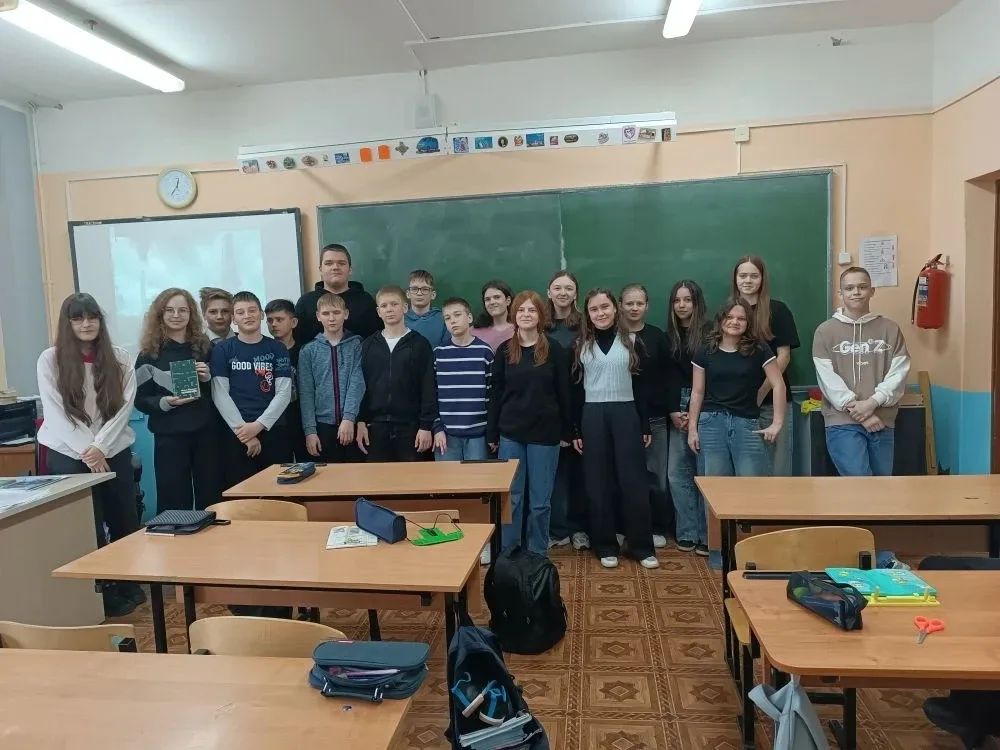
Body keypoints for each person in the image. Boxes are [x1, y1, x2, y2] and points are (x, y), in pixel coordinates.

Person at [37, 293, 143, 617]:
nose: (86, 324)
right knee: (87, 523)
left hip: (112, 448)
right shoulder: (50, 359)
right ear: (68, 323)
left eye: (92, 317)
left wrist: (100, 447)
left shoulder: (120, 357)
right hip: (68, 452)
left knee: (124, 516)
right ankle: (100, 590)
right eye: (78, 318)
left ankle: (127, 580)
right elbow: (55, 413)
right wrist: (89, 450)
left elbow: (124, 407)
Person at [572, 288, 658, 570]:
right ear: (588, 314)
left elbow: (642, 387)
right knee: (598, 483)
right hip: (592, 414)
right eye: (594, 309)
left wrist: (644, 423)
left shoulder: (632, 341)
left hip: (626, 413)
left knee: (633, 481)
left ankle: (641, 546)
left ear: (615, 308)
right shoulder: (581, 344)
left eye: (605, 307)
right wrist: (576, 430)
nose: (601, 313)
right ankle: (605, 544)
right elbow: (575, 390)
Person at [487, 290, 573, 556]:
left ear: (541, 316)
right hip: (511, 434)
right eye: (521, 310)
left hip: (545, 436)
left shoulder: (555, 350)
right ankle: (510, 553)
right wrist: (492, 432)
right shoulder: (504, 351)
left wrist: (567, 430)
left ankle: (537, 553)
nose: (526, 315)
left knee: (540, 502)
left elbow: (564, 392)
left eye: (532, 310)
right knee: (512, 499)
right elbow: (496, 395)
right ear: (514, 315)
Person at [812, 267, 910, 476]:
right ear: (840, 293)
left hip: (882, 421)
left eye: (862, 287)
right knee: (859, 482)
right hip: (842, 421)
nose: (856, 292)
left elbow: (899, 372)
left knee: (882, 485)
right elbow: (827, 379)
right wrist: (862, 414)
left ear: (872, 291)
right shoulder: (825, 331)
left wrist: (872, 403)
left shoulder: (890, 329)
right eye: (849, 288)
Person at [134, 288, 218, 514]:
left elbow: (220, 392)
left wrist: (207, 378)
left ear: (191, 314)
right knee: (173, 499)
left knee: (211, 495)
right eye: (169, 310)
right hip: (169, 436)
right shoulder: (148, 354)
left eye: (183, 310)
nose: (176, 315)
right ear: (160, 314)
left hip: (206, 433)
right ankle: (175, 535)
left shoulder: (205, 347)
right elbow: (139, 399)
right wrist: (165, 402)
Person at [688, 297, 786, 482]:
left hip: (746, 423)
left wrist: (777, 423)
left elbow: (778, 385)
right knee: (716, 487)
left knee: (752, 485)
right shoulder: (705, 351)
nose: (735, 322)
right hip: (711, 424)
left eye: (741, 318)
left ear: (748, 323)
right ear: (720, 319)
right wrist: (692, 429)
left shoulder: (759, 349)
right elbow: (697, 392)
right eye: (729, 317)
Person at [210, 291, 293, 487]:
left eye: (252, 310)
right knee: (242, 492)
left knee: (279, 492)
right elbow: (219, 393)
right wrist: (244, 432)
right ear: (234, 319)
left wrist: (258, 426)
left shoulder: (277, 348)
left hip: (273, 430)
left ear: (261, 314)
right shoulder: (222, 350)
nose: (247, 316)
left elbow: (284, 392)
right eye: (240, 312)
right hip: (237, 433)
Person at [732, 255, 799, 475]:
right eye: (742, 275)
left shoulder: (777, 310)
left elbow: (784, 356)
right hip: (738, 405)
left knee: (777, 468)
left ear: (762, 279)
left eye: (754, 276)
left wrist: (761, 392)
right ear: (735, 279)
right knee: (746, 471)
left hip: (772, 403)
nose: (747, 281)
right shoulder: (729, 312)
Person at [356, 285, 438, 462]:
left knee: (412, 477)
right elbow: (361, 386)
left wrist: (425, 426)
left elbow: (428, 387)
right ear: (378, 312)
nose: (389, 309)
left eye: (394, 304)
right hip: (375, 427)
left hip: (411, 427)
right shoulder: (368, 345)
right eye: (384, 306)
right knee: (378, 477)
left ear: (405, 307)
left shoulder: (420, 344)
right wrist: (361, 420)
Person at [621, 283, 673, 550]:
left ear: (647, 306)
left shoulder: (657, 336)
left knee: (655, 476)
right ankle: (624, 528)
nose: (634, 308)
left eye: (639, 303)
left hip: (654, 418)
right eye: (629, 303)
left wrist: (669, 408)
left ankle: (655, 527)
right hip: (622, 417)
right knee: (624, 476)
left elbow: (668, 376)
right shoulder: (613, 336)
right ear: (620, 305)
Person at [664, 280, 710, 555]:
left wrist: (697, 411)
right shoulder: (667, 336)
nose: (682, 305)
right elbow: (666, 377)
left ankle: (707, 535)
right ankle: (687, 532)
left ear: (697, 302)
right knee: (677, 473)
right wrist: (672, 410)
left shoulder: (710, 334)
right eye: (677, 300)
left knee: (704, 471)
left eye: (687, 300)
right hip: (676, 407)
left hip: (705, 404)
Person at [545, 270, 588, 551]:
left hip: (584, 402)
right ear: (549, 292)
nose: (563, 293)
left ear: (576, 293)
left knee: (581, 470)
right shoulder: (541, 325)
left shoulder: (586, 324)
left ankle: (580, 528)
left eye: (569, 288)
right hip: (551, 406)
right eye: (557, 288)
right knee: (556, 472)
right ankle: (557, 528)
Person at [298, 293, 365, 463]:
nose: (331, 318)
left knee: (355, 475)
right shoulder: (308, 351)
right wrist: (310, 431)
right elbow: (306, 393)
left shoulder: (357, 345)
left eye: (336, 312)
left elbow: (357, 383)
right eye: (326, 313)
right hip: (322, 426)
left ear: (345, 314)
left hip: (352, 423)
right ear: (318, 316)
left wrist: (349, 418)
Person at [432, 297, 494, 461]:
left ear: (469, 317)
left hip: (478, 435)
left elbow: (492, 394)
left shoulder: (484, 352)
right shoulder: (439, 354)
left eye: (457, 315)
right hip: (446, 435)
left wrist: (490, 430)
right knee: (447, 478)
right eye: (447, 318)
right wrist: (437, 428)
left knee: (478, 478)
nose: (452, 320)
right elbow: (432, 395)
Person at [294, 244, 381, 344]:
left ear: (350, 269)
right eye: (329, 263)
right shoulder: (306, 302)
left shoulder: (365, 301)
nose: (335, 267)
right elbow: (296, 342)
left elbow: (376, 341)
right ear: (320, 269)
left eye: (341, 263)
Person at [265, 298, 306, 462]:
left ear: (293, 322)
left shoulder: (306, 350)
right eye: (270, 320)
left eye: (279, 319)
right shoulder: (263, 351)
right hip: (275, 420)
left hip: (301, 417)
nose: (274, 324)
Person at [404, 269, 449, 348]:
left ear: (433, 295)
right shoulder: (400, 319)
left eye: (425, 289)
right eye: (414, 289)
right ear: (408, 294)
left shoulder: (443, 319)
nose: (419, 293)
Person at [472, 279, 515, 353]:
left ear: (508, 301)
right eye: (487, 299)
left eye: (497, 297)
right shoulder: (473, 332)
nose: (492, 302)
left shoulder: (520, 330)